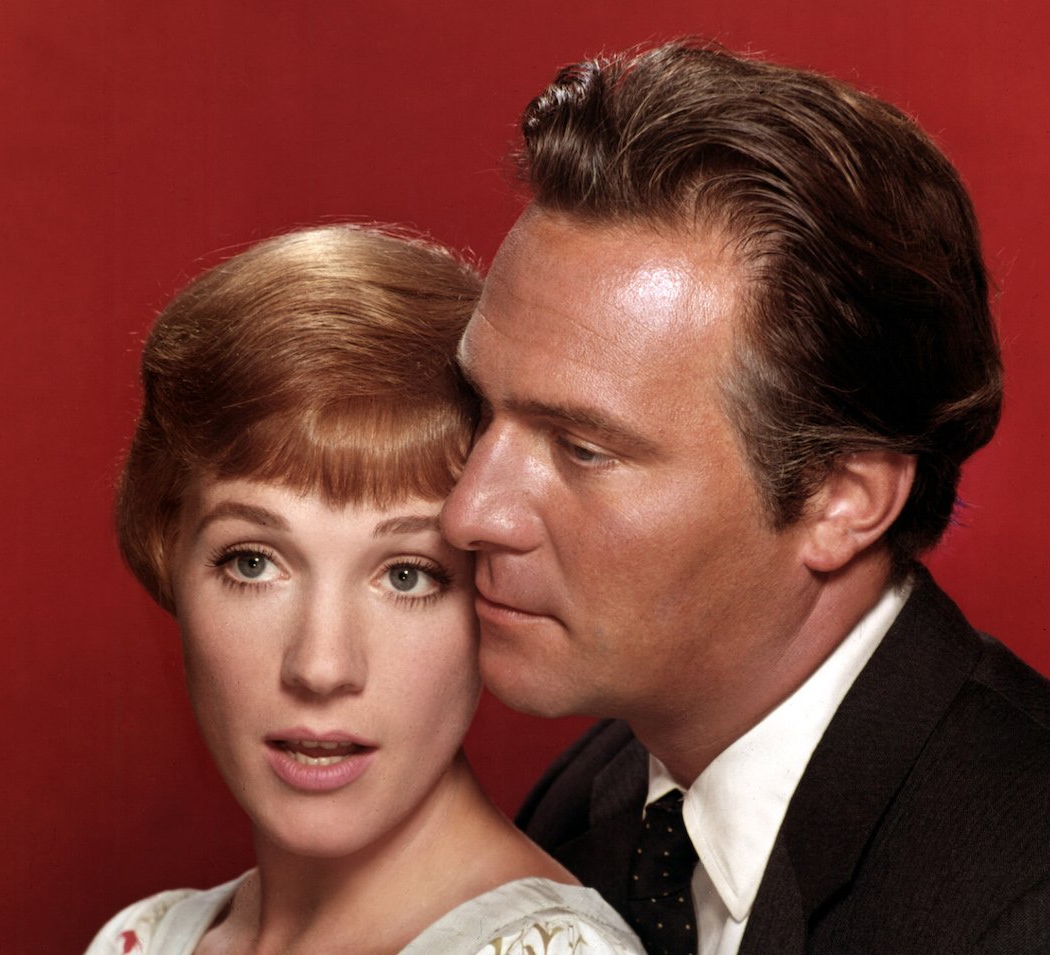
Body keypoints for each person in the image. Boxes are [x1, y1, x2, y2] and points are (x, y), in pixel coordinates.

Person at [441, 41, 1050, 954]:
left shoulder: (1023, 898)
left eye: (582, 447)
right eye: (479, 410)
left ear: (843, 499)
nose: (469, 512)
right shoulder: (599, 791)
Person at [85, 225, 646, 954]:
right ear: (170, 557)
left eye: (406, 575)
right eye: (253, 562)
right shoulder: (141, 940)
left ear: (492, 589)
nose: (321, 666)